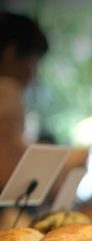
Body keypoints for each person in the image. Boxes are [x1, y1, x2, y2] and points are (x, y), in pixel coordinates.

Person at [0, 11, 49, 191]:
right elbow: (7, 172)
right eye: (34, 62)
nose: (34, 75)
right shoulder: (7, 91)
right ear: (10, 54)